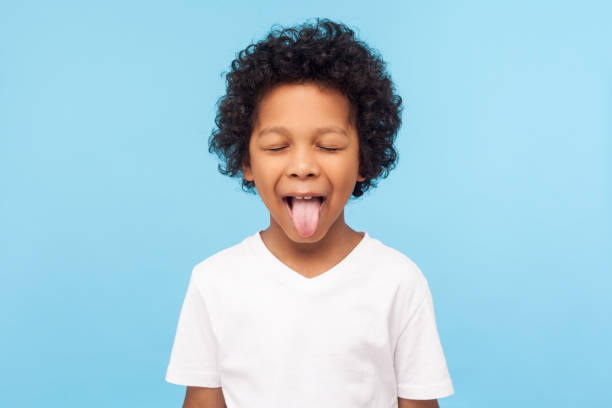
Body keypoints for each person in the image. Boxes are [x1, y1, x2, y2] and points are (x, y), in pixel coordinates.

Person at [165, 18, 454, 408]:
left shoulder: (398, 282)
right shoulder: (213, 282)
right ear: (246, 162)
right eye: (277, 146)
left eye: (330, 146)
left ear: (363, 159)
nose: (303, 166)